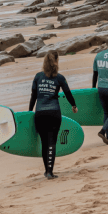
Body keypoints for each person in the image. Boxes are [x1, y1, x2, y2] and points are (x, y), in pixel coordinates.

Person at [29, 51, 78, 179]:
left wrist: (29, 112)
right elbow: (68, 93)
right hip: (54, 113)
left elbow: (33, 96)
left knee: (44, 143)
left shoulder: (38, 77)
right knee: (52, 142)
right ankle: (50, 171)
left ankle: (47, 171)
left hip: (40, 113)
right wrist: (74, 105)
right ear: (57, 62)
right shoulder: (59, 78)